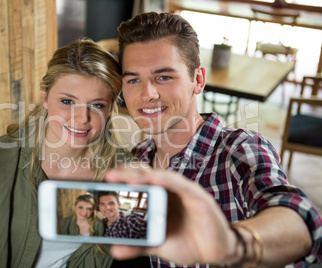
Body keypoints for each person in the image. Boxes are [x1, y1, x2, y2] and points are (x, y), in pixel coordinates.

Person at [105, 12, 322, 267]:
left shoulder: (240, 150)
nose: (147, 93)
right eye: (133, 79)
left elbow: (297, 221)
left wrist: (232, 244)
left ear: (198, 80)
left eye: (163, 77)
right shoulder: (137, 158)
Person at [0, 38, 130, 268]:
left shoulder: (126, 173)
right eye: (67, 101)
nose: (81, 118)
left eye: (97, 105)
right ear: (45, 97)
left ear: (110, 108)